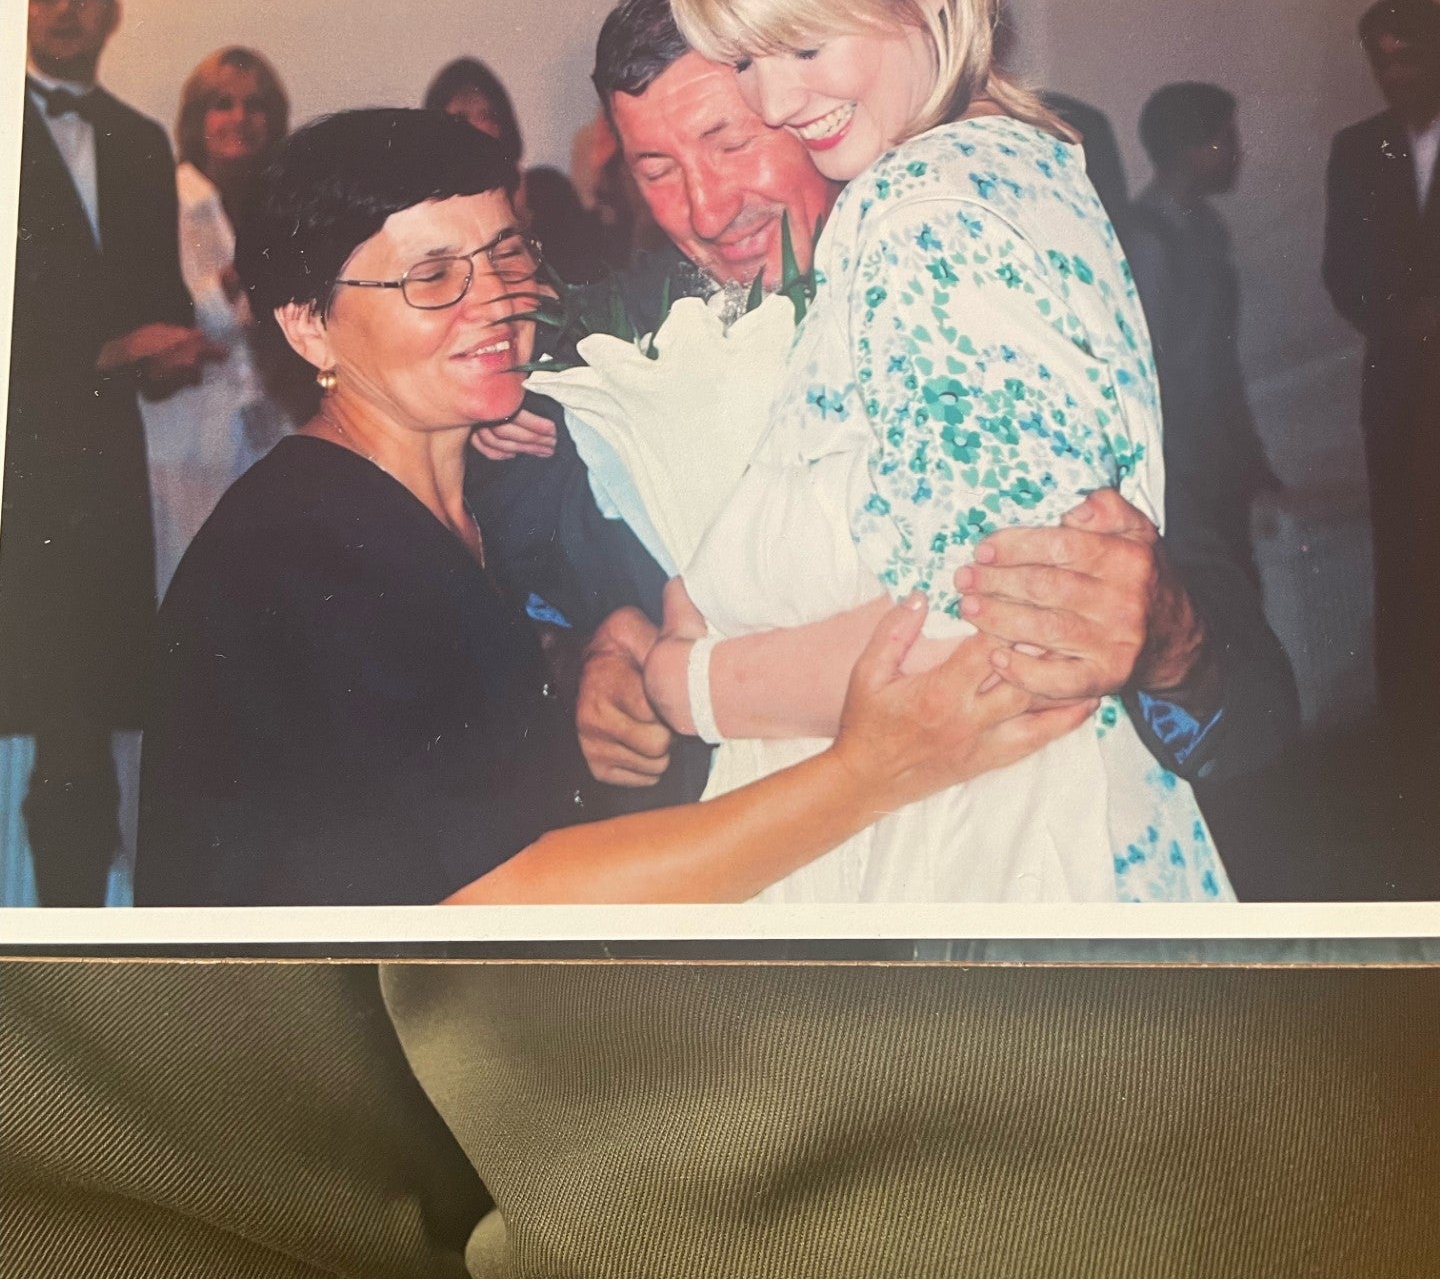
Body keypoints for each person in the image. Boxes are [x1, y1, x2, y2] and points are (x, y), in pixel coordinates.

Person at [135, 107, 1097, 907]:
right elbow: (498, 900)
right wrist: (869, 774)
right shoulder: (304, 553)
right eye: (432, 277)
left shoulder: (457, 504)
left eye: (507, 255)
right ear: (308, 325)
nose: (498, 302)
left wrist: (579, 674)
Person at [475, 0, 1299, 850]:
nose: (707, 211)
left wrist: (1173, 647)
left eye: (731, 142)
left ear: (810, 111)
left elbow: (1252, 704)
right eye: (658, 169)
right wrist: (590, 663)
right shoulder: (615, 360)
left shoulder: (988, 296)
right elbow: (544, 615)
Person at [645, 0, 1231, 902]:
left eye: (805, 45)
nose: (776, 101)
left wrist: (694, 682)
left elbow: (1000, 641)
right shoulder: (1019, 164)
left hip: (969, 854)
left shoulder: (924, 210)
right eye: (746, 61)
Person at [0, 0, 216, 905]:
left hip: (101, 481)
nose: (63, 10)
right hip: (19, 478)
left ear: (114, 10)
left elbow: (157, 313)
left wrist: (174, 359)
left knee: (90, 737)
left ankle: (78, 934)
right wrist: (106, 356)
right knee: (47, 730)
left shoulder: (139, 140)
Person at [1323, 0, 1440, 804]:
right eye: (1382, 59)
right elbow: (1341, 268)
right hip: (1399, 393)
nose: (1395, 73)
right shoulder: (1359, 148)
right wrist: (1393, 317)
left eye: (1410, 55)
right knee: (1403, 563)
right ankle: (1407, 747)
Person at [140, 47, 297, 593]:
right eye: (221, 104)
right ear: (196, 120)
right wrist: (232, 281)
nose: (239, 119)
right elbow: (156, 311)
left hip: (264, 428)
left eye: (255, 105)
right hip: (187, 433)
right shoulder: (166, 200)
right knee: (189, 589)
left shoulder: (280, 205)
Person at [1127, 81, 1281, 582]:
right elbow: (1152, 371)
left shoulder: (1208, 229)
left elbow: (1220, 358)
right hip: (1181, 469)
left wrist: (1248, 457)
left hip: (1217, 458)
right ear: (1191, 150)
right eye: (1225, 138)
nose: (1237, 152)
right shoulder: (1146, 239)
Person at [424, 56, 616, 282]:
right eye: (460, 118)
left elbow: (584, 277)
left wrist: (522, 221)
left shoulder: (546, 189)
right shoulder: (426, 211)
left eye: (486, 115)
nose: (475, 127)